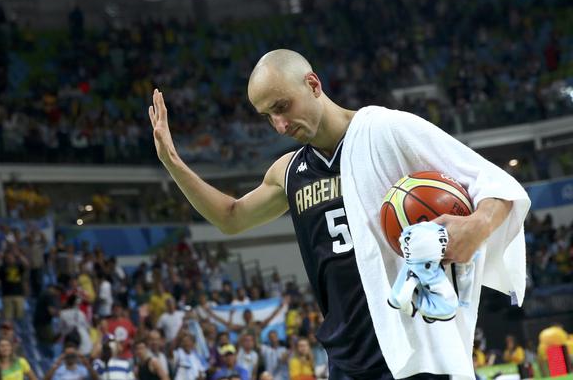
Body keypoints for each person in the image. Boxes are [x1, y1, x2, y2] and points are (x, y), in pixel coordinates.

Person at [149, 49, 530, 379]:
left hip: (412, 347)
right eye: (267, 116)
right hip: (346, 356)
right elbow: (230, 218)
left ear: (313, 84)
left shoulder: (385, 129)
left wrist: (475, 226)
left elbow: (495, 184)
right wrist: (173, 163)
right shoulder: (288, 172)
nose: (279, 125)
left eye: (282, 107)